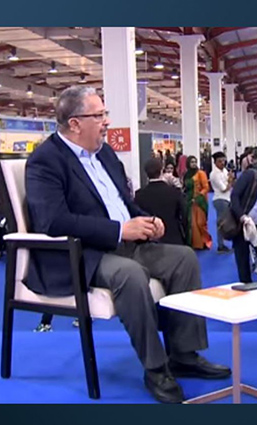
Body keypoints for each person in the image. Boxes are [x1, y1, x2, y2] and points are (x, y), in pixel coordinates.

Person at [24, 86, 229, 403]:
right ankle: (156, 368)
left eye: (104, 113)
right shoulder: (45, 161)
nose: (106, 121)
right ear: (75, 123)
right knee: (130, 275)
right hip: (84, 253)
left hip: (125, 242)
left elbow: (124, 202)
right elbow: (53, 221)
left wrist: (146, 220)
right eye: (99, 115)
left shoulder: (104, 154)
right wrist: (119, 230)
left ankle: (184, 354)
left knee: (184, 258)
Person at [135, 158, 186, 246]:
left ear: (146, 173)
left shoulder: (139, 195)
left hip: (149, 240)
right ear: (162, 171)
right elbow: (184, 217)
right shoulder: (174, 192)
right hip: (173, 240)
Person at [183, 155, 212, 250]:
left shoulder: (201, 173)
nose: (194, 164)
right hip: (189, 202)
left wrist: (198, 197)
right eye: (192, 162)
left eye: (195, 162)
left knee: (200, 223)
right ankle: (195, 244)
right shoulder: (186, 175)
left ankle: (204, 242)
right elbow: (185, 188)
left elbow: (206, 187)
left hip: (200, 202)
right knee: (191, 223)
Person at [208, 151, 233, 253]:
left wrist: (230, 180)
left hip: (227, 199)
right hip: (220, 200)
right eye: (220, 161)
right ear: (215, 162)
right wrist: (230, 180)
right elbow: (224, 189)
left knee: (225, 222)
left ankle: (222, 244)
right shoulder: (214, 174)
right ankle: (220, 245)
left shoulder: (224, 171)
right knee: (222, 223)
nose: (222, 163)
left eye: (223, 161)